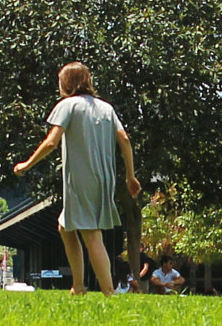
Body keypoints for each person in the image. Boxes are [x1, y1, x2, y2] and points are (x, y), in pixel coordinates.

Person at [12, 61, 142, 296]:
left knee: (92, 235)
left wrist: (27, 164)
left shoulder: (67, 105)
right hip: (105, 178)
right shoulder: (106, 108)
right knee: (65, 226)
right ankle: (79, 285)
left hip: (82, 178)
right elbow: (124, 139)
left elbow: (52, 142)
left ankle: (109, 293)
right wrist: (130, 176)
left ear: (67, 84)